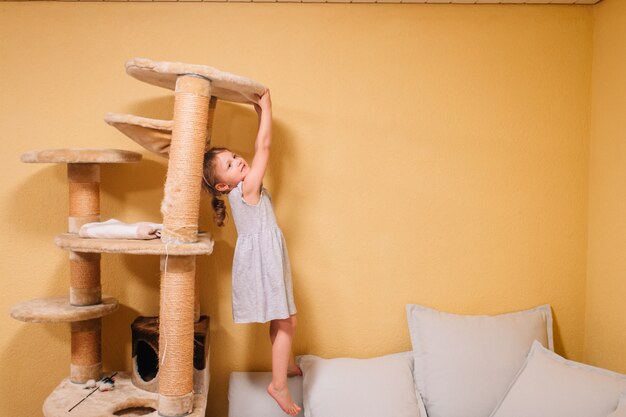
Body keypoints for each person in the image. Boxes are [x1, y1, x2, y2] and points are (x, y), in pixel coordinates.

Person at [202, 90, 302, 416]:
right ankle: (278, 385)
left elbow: (258, 147)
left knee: (281, 316)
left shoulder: (242, 189)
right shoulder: (246, 189)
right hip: (264, 260)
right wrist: (268, 105)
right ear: (222, 186)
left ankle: (284, 365)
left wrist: (259, 111)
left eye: (234, 156)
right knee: (287, 321)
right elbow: (264, 147)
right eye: (229, 164)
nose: (238, 160)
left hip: (263, 258)